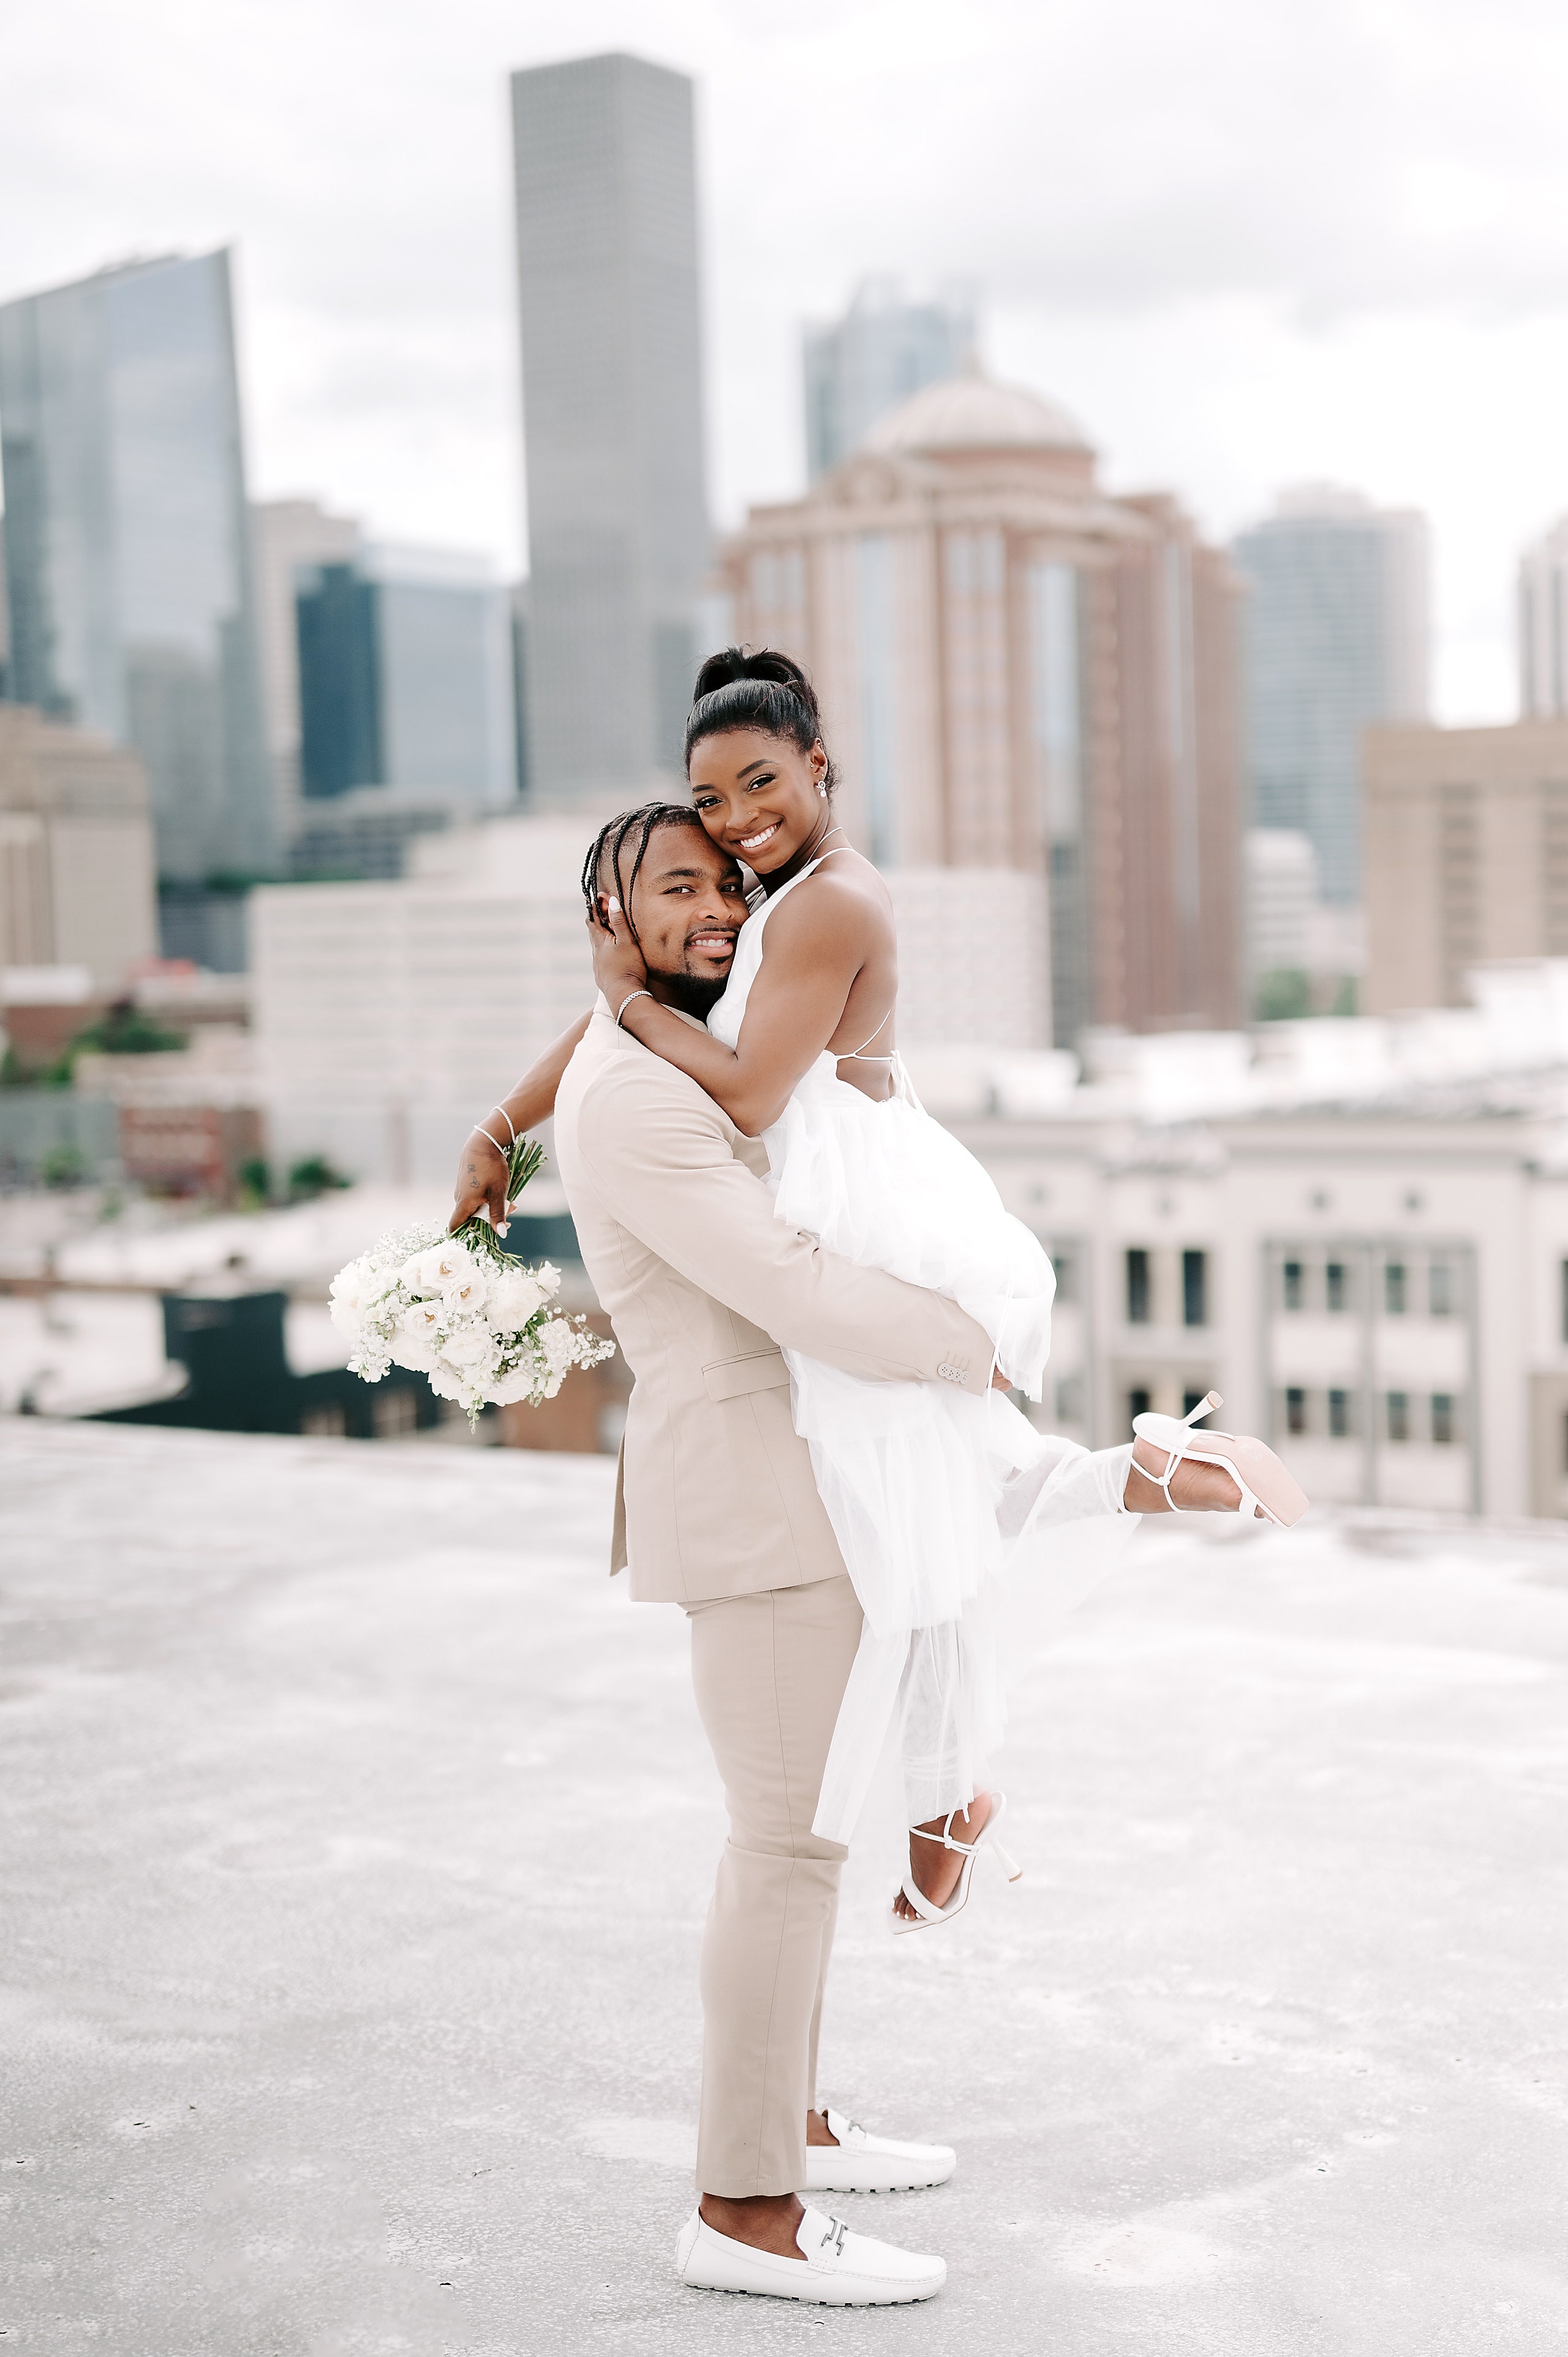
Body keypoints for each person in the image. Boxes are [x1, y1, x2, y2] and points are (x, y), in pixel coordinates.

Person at [448, 798, 1288, 2307]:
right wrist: (961, 1344)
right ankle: (743, 2203)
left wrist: (495, 1122)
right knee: (782, 1847)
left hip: (806, 1472)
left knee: (812, 1832)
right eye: (675, 892)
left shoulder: (652, 1045)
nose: (714, 909)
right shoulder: (638, 1094)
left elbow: (675, 1092)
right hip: (756, 1496)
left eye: (725, 884)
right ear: (607, 922)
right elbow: (782, 1279)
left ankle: (798, 2125)